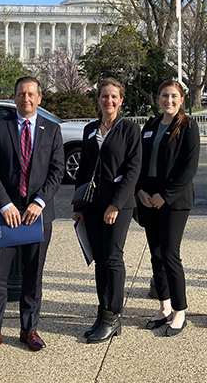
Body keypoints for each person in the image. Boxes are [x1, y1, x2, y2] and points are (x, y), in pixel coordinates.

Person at [0, 76, 65, 357]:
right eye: (21, 94)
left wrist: (39, 201)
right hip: (6, 216)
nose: (26, 99)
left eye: (31, 94)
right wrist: (5, 205)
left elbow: (57, 170)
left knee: (33, 276)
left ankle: (30, 329)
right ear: (14, 98)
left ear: (39, 98)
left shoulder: (51, 130)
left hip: (38, 216)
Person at [73, 77, 142, 343]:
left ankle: (114, 316)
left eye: (114, 96)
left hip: (118, 204)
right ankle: (103, 313)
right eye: (104, 96)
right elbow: (83, 169)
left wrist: (116, 204)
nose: (108, 101)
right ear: (98, 99)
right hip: (91, 204)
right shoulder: (90, 129)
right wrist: (78, 206)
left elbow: (133, 171)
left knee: (113, 258)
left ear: (121, 100)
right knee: (99, 259)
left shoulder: (129, 129)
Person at [136, 80, 199, 336]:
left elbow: (188, 168)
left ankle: (179, 310)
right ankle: (163, 307)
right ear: (158, 98)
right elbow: (138, 160)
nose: (168, 101)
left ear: (181, 99)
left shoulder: (188, 126)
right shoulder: (150, 125)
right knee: (156, 254)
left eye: (174, 96)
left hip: (174, 201)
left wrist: (165, 195)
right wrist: (139, 189)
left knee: (170, 254)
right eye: (164, 96)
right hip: (148, 198)